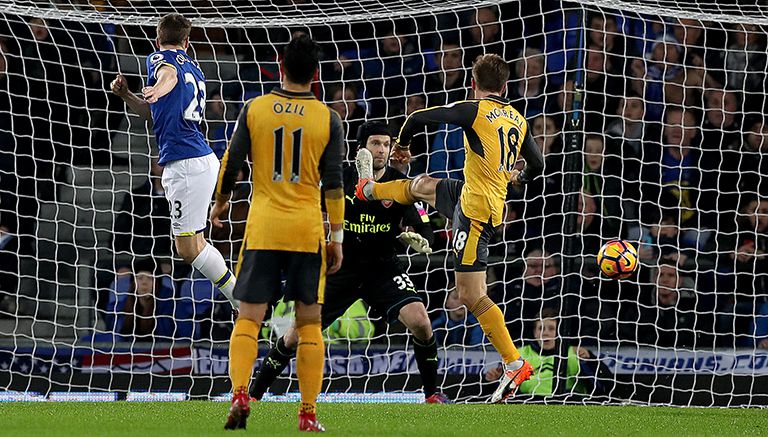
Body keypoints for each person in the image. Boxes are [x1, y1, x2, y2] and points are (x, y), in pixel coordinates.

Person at [355, 54, 545, 403]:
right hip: (473, 195)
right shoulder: (518, 119)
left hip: (476, 213)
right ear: (505, 87)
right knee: (423, 185)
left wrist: (402, 146)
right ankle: (369, 189)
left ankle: (513, 362)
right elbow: (538, 163)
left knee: (470, 295)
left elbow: (417, 117)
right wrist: (519, 176)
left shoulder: (475, 110)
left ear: (473, 83)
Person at [249, 121, 450, 404]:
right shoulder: (338, 180)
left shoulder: (399, 184)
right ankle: (253, 396)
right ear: (360, 151)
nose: (381, 150)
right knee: (295, 335)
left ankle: (432, 395)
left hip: (383, 268)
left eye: (386, 144)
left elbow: (425, 226)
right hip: (341, 268)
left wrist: (419, 239)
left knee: (421, 322)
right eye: (375, 143)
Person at [210, 34, 345, 432]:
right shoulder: (328, 118)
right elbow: (334, 183)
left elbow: (231, 162)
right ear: (316, 74)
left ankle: (240, 393)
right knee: (309, 324)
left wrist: (220, 203)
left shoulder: (255, 108)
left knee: (249, 318)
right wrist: (336, 237)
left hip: (264, 226)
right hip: (306, 230)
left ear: (281, 67)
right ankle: (307, 413)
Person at [109, 14, 239, 312]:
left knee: (188, 249)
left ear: (158, 40)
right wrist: (126, 95)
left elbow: (169, 75)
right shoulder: (195, 68)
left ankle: (241, 299)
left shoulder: (159, 59)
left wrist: (158, 87)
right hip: (199, 159)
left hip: (186, 164)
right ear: (187, 42)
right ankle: (240, 297)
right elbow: (151, 113)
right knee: (194, 244)